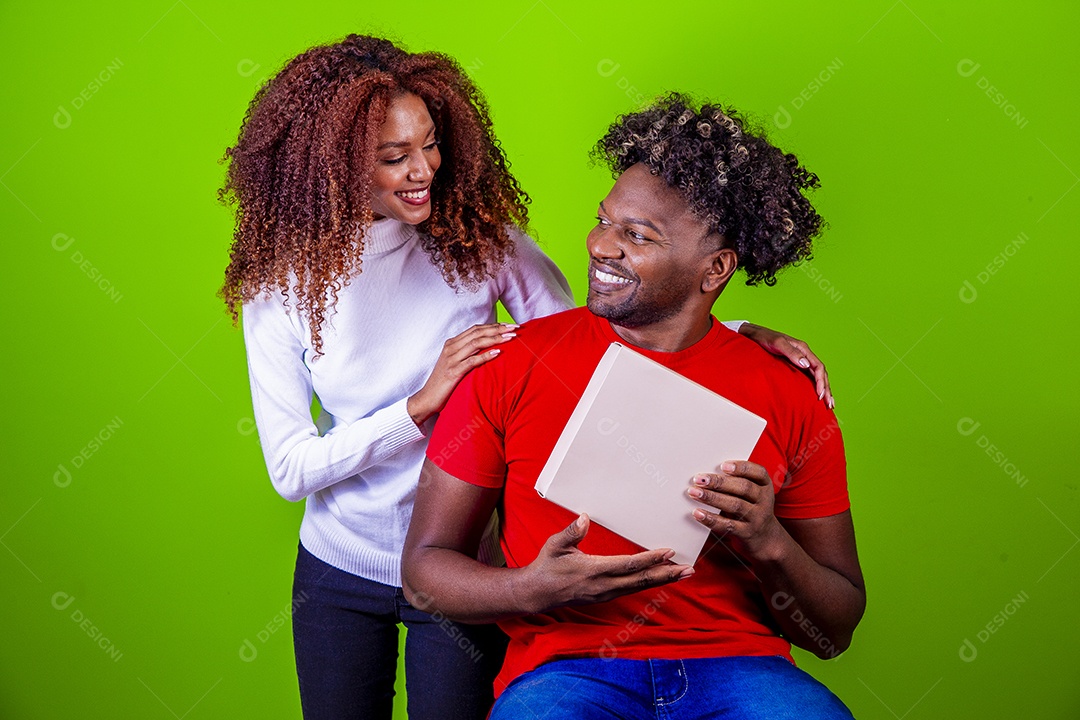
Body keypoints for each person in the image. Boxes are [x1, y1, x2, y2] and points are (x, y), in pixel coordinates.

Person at [221, 34, 836, 720]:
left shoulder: (480, 244)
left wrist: (736, 330)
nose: (423, 168)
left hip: (472, 565)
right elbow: (290, 468)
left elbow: (597, 334)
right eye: (394, 157)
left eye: (430, 143)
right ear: (331, 167)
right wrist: (420, 405)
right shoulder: (278, 290)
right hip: (340, 564)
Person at [402, 93, 865, 720]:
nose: (599, 245)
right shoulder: (510, 365)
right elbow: (424, 573)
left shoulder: (790, 394)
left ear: (715, 269)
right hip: (567, 671)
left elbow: (833, 631)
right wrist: (530, 588)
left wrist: (769, 541)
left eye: (636, 236)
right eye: (604, 219)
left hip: (740, 669)